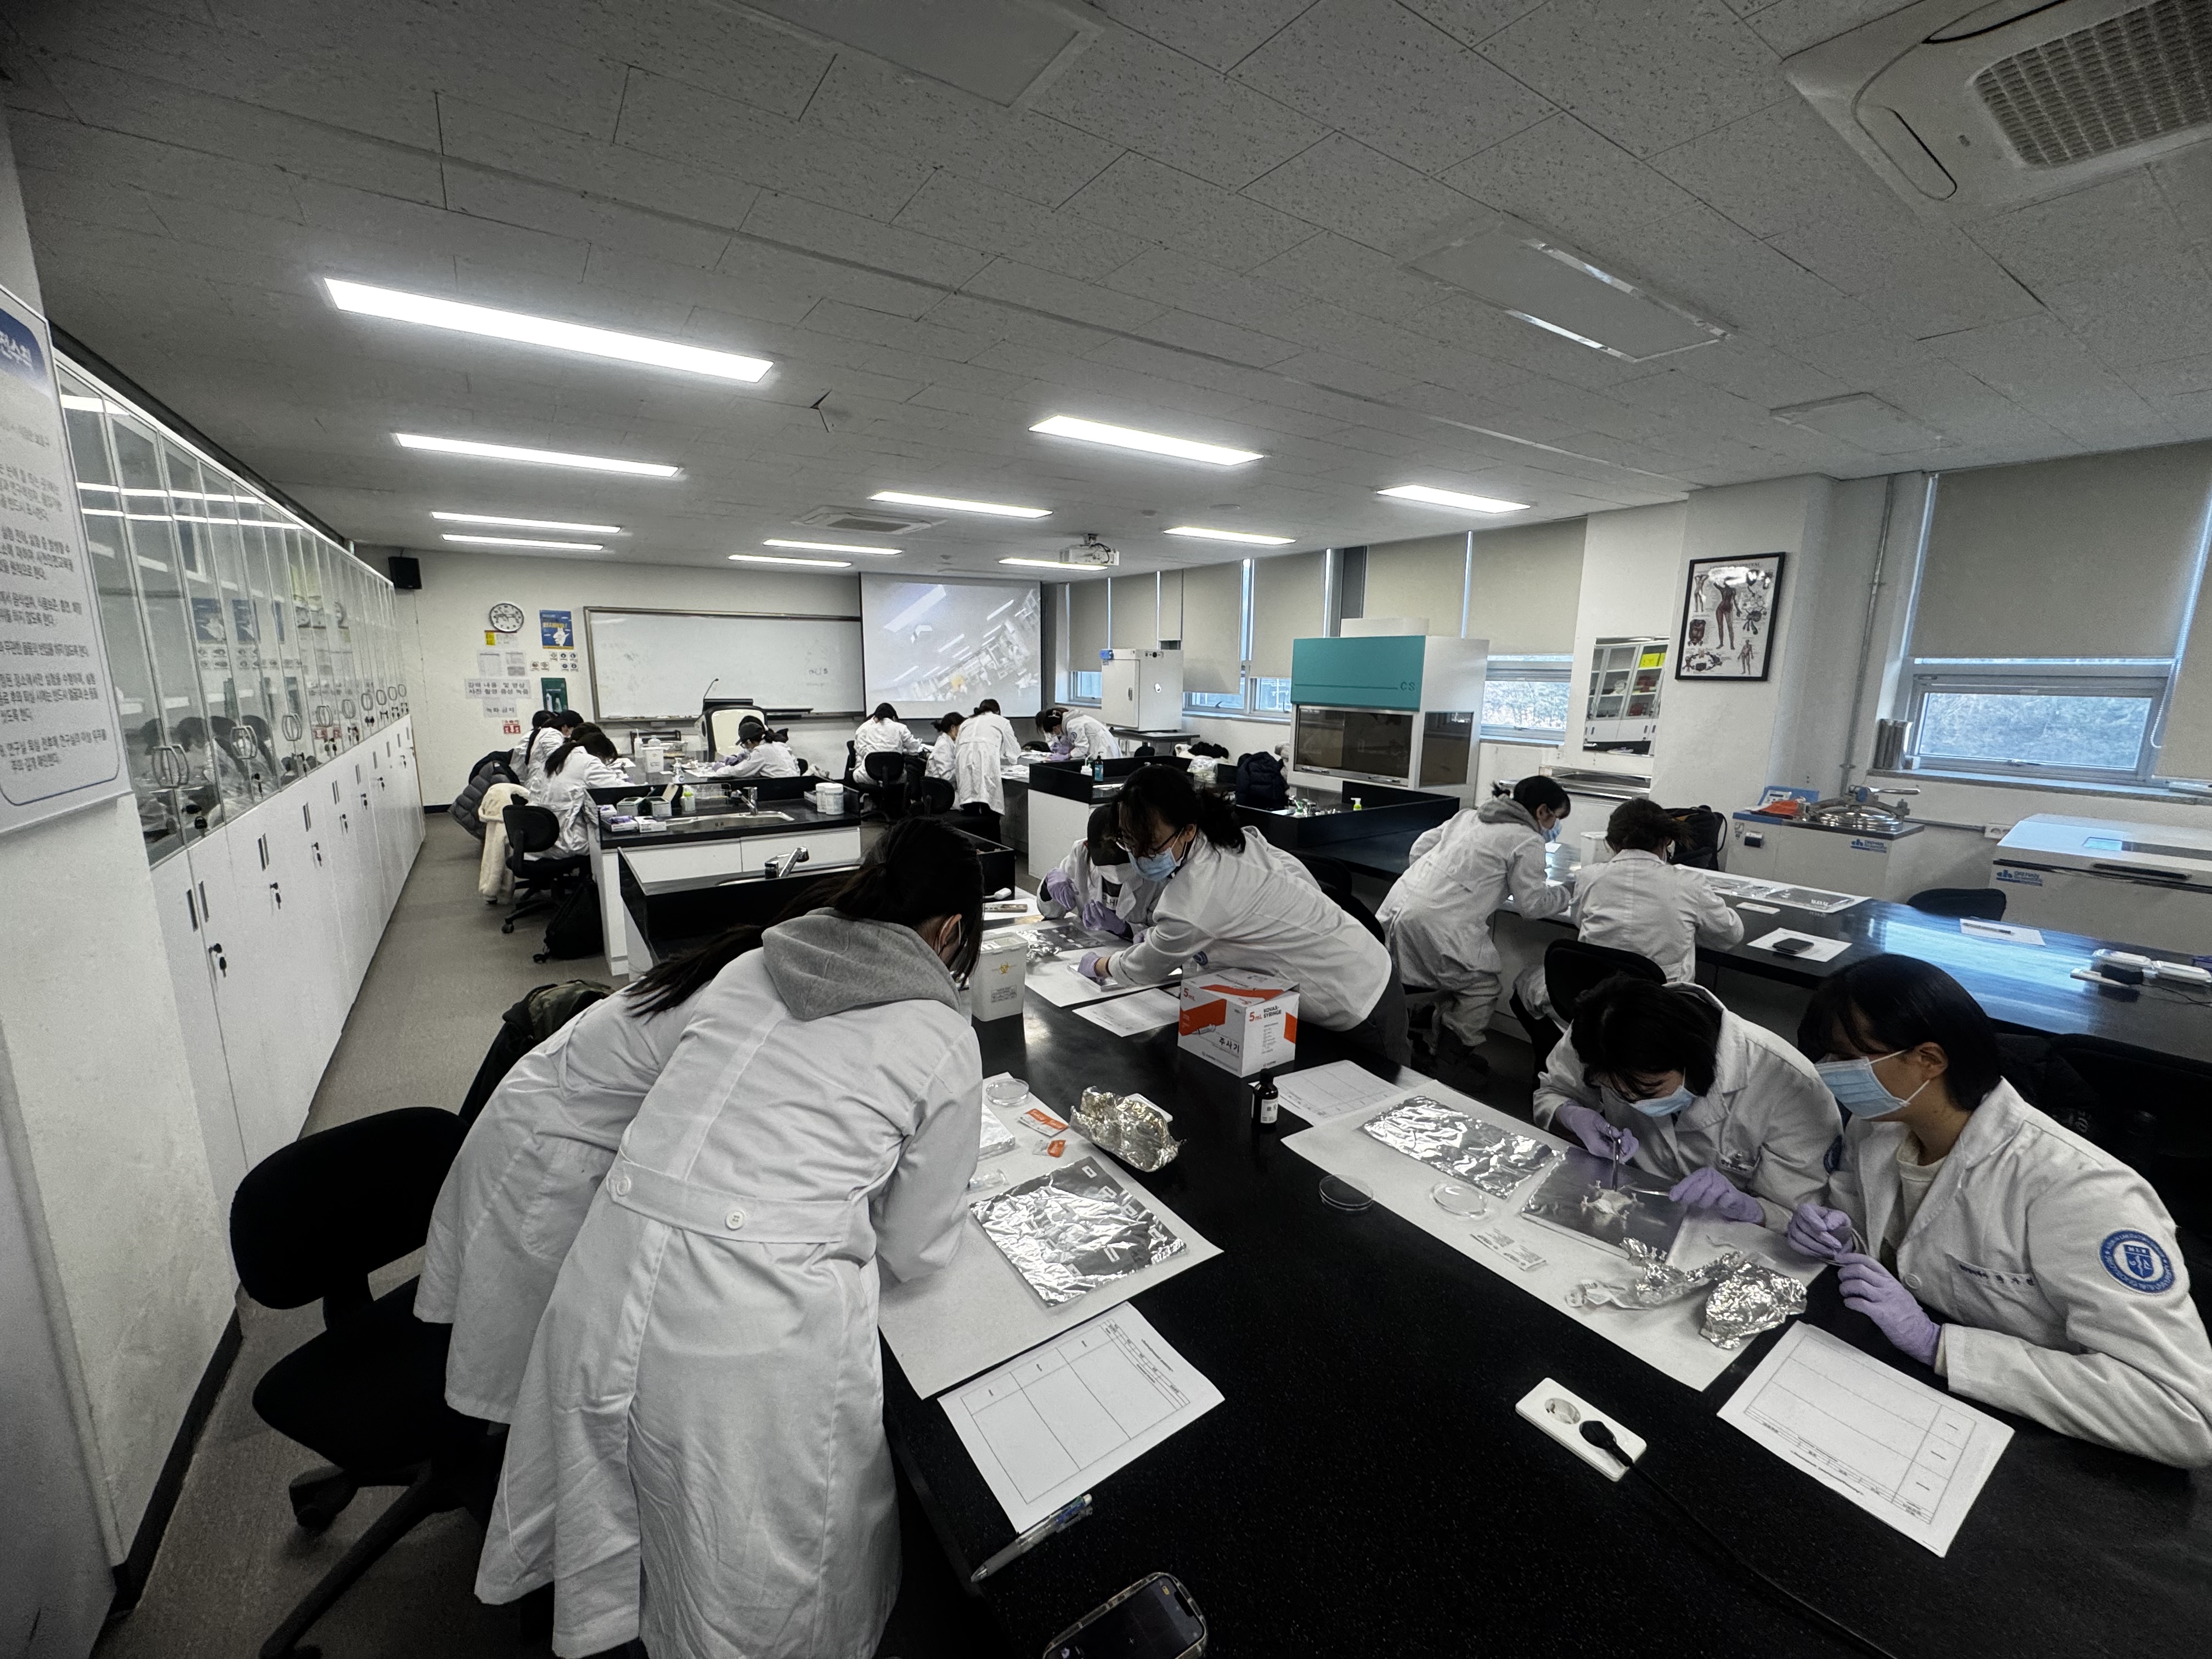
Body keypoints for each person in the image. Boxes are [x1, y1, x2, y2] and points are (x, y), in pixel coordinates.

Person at [474, 821, 987, 1656]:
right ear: (952, 931)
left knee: (626, 1522)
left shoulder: (754, 965)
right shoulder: (940, 1036)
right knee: (759, 1580)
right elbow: (916, 1249)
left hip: (605, 1278)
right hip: (745, 1340)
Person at [1788, 955, 2212, 1466]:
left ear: (1929, 1059)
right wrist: (1838, 1238)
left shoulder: (2080, 1190)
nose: (1827, 1071)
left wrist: (1939, 1345)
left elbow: (2185, 1418)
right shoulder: (1879, 1125)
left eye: (1845, 1057)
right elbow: (1892, 1245)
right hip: (1916, 1396)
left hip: (2053, 1444)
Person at [416, 923, 768, 1421]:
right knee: (521, 1358)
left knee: (527, 1338)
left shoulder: (737, 964)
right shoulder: (738, 1005)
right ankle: (476, 1449)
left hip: (546, 1124)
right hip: (544, 1166)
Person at [1079, 765, 1409, 1064]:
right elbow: (1296, 879)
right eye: (1129, 840)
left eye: (1150, 845)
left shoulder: (1199, 894)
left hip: (1360, 994)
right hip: (1322, 984)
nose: (1139, 856)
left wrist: (1101, 965)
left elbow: (1146, 968)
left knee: (1383, 1097)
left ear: (1188, 830)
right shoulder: (1222, 838)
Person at [1533, 975, 1837, 1227]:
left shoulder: (1790, 1085)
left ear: (1693, 1061)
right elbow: (1551, 1093)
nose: (1635, 1103)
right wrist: (1571, 1115)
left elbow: (1803, 1217)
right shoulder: (1599, 1033)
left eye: (1649, 1091)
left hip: (1727, 1234)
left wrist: (1750, 1208)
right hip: (1632, 1212)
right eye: (1616, 1092)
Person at [1378, 776, 1574, 1075]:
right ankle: (1449, 1061)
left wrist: (1440, 884)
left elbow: (1420, 849)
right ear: (1542, 811)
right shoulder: (1527, 839)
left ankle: (1428, 1037)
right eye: (1556, 818)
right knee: (1482, 988)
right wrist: (1569, 891)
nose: (1555, 827)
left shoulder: (1469, 817)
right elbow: (1532, 906)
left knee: (1446, 978)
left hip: (1396, 910)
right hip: (1437, 926)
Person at [1517, 796, 1745, 1020]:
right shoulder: (1689, 884)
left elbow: (1579, 920)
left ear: (1610, 843)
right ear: (1667, 840)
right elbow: (1730, 935)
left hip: (1597, 1006)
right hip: (1661, 1012)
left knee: (1525, 981)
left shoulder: (1589, 878)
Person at [1041, 801, 1159, 940]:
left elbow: (1164, 933)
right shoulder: (1081, 854)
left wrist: (1124, 929)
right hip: (1088, 940)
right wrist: (1048, 887)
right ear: (1088, 847)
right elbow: (1052, 913)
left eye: (1125, 866)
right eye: (1107, 868)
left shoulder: (1155, 867)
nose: (1116, 876)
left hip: (1132, 949)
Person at [538, 724, 626, 855]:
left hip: (546, 836)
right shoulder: (588, 762)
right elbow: (620, 789)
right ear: (599, 754)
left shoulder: (562, 757)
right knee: (618, 837)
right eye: (606, 760)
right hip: (568, 841)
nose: (605, 764)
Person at [953, 697, 1022, 834]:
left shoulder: (967, 722)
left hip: (965, 769)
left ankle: (973, 843)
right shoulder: (1002, 721)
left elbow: (957, 750)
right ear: (998, 711)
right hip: (986, 770)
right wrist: (1010, 761)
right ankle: (993, 843)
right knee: (991, 812)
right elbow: (1014, 752)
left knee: (970, 813)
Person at [519, 709, 583, 797]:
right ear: (565, 727)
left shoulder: (548, 732)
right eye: (574, 730)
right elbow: (556, 757)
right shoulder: (552, 734)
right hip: (540, 787)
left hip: (541, 784)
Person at [713, 714, 800, 779]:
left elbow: (741, 771)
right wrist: (738, 758)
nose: (745, 748)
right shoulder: (778, 745)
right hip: (795, 785)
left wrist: (720, 770)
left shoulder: (761, 751)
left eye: (744, 744)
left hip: (780, 789)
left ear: (749, 742)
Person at [1038, 704, 1120, 762]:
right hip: (1102, 748)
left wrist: (1066, 756)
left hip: (1104, 751)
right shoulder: (1071, 722)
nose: (1054, 735)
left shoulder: (1072, 725)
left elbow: (1082, 748)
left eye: (1053, 733)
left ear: (1055, 728)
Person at [853, 702, 925, 762]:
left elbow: (863, 752)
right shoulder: (900, 727)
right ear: (894, 718)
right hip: (892, 770)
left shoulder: (866, 728)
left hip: (871, 768)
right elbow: (913, 749)